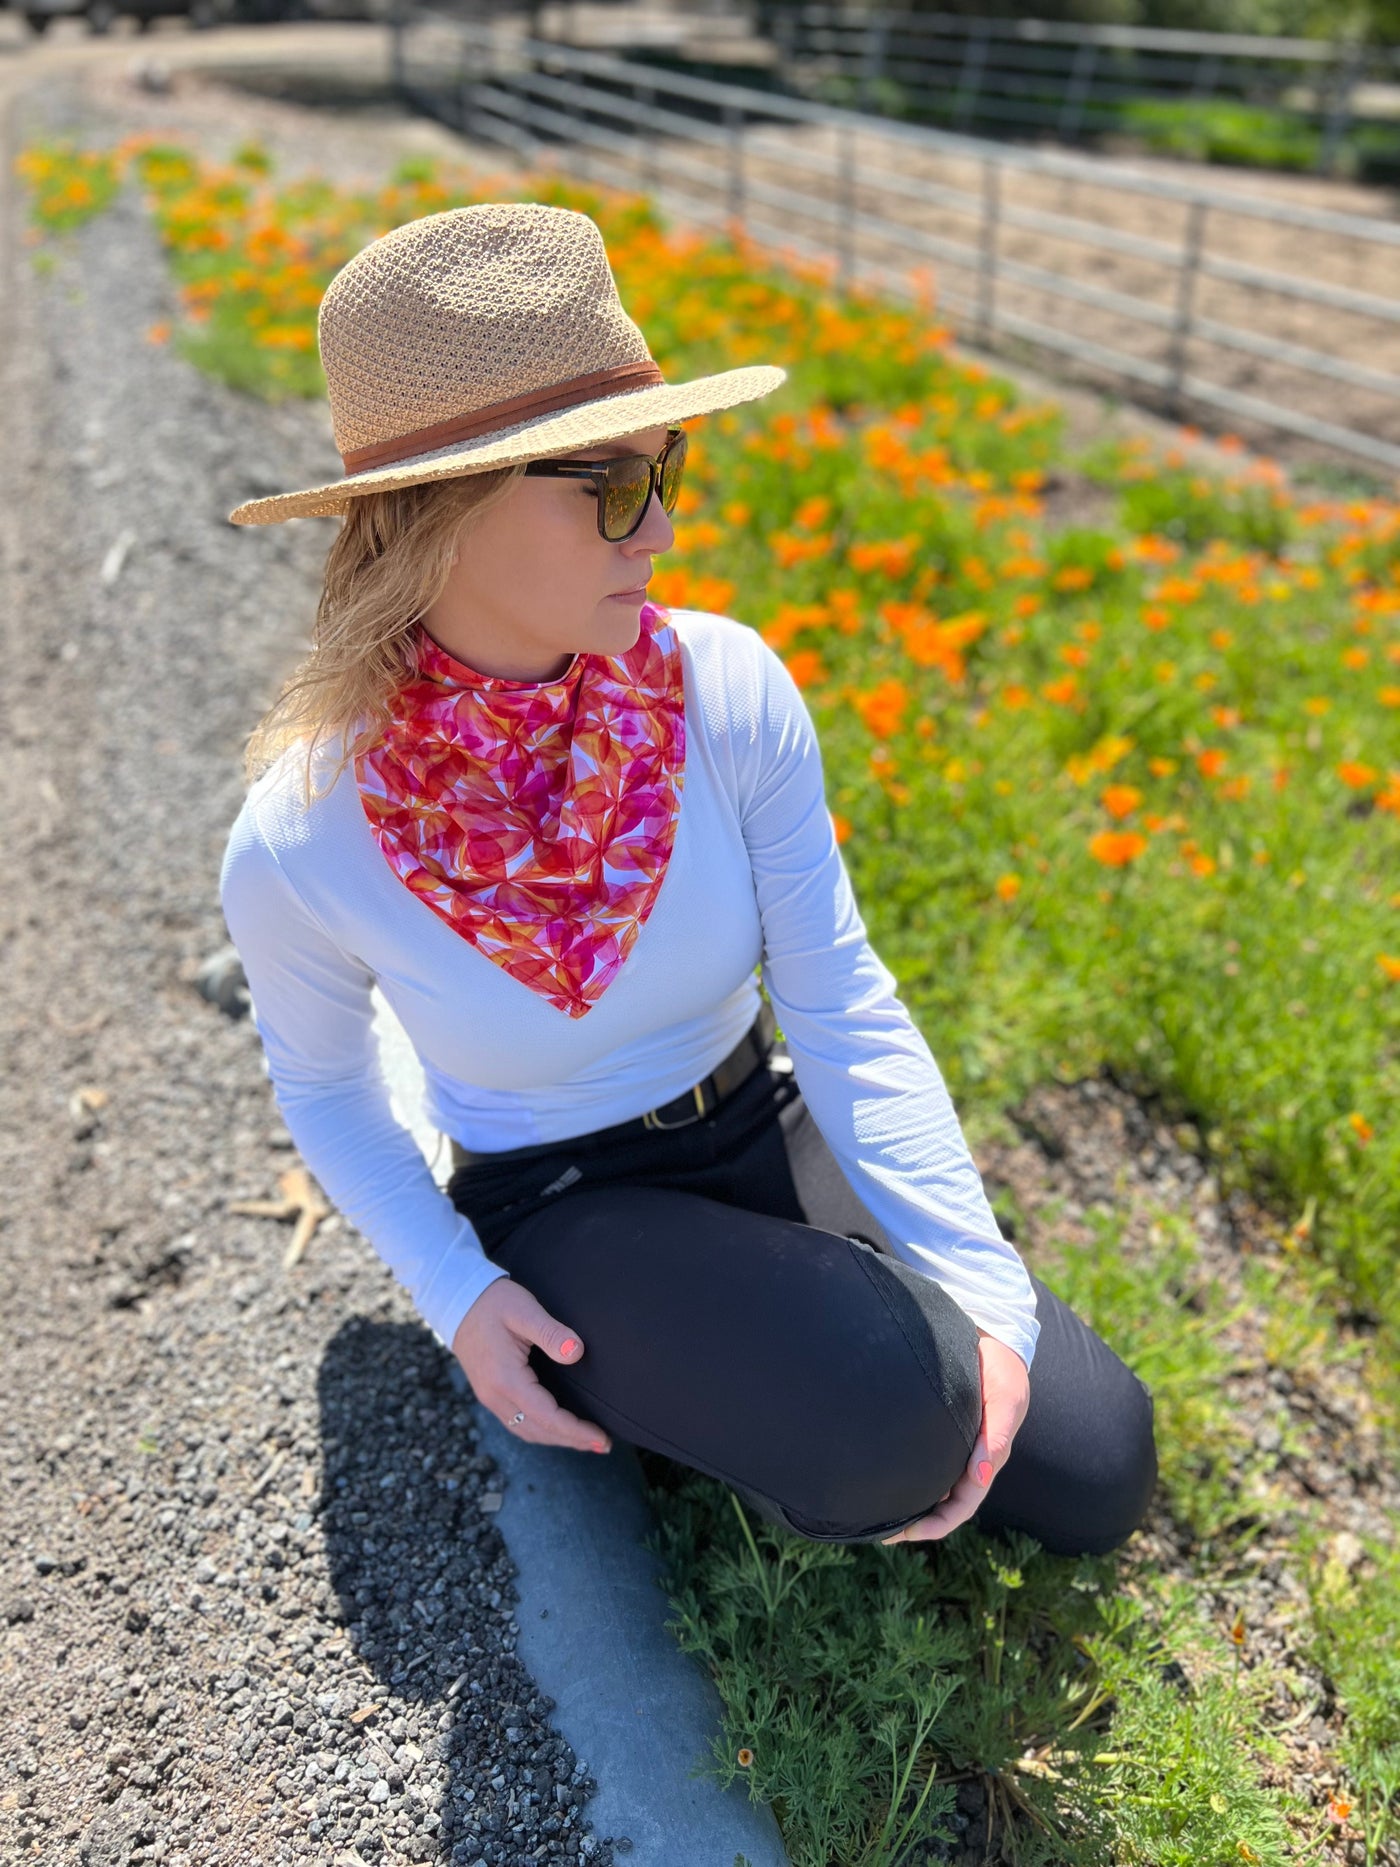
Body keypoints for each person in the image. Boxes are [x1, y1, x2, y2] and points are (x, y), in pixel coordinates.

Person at [219, 201, 1157, 1556]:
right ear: (441, 514)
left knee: (1094, 1458)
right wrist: (458, 1293)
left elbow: (838, 996)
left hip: (751, 1115)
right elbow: (319, 1085)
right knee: (886, 1415)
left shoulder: (724, 690)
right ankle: (762, 1371)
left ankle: (769, 1362)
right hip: (561, 1202)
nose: (658, 534)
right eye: (612, 488)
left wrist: (981, 1287)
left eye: (670, 473)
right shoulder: (306, 833)